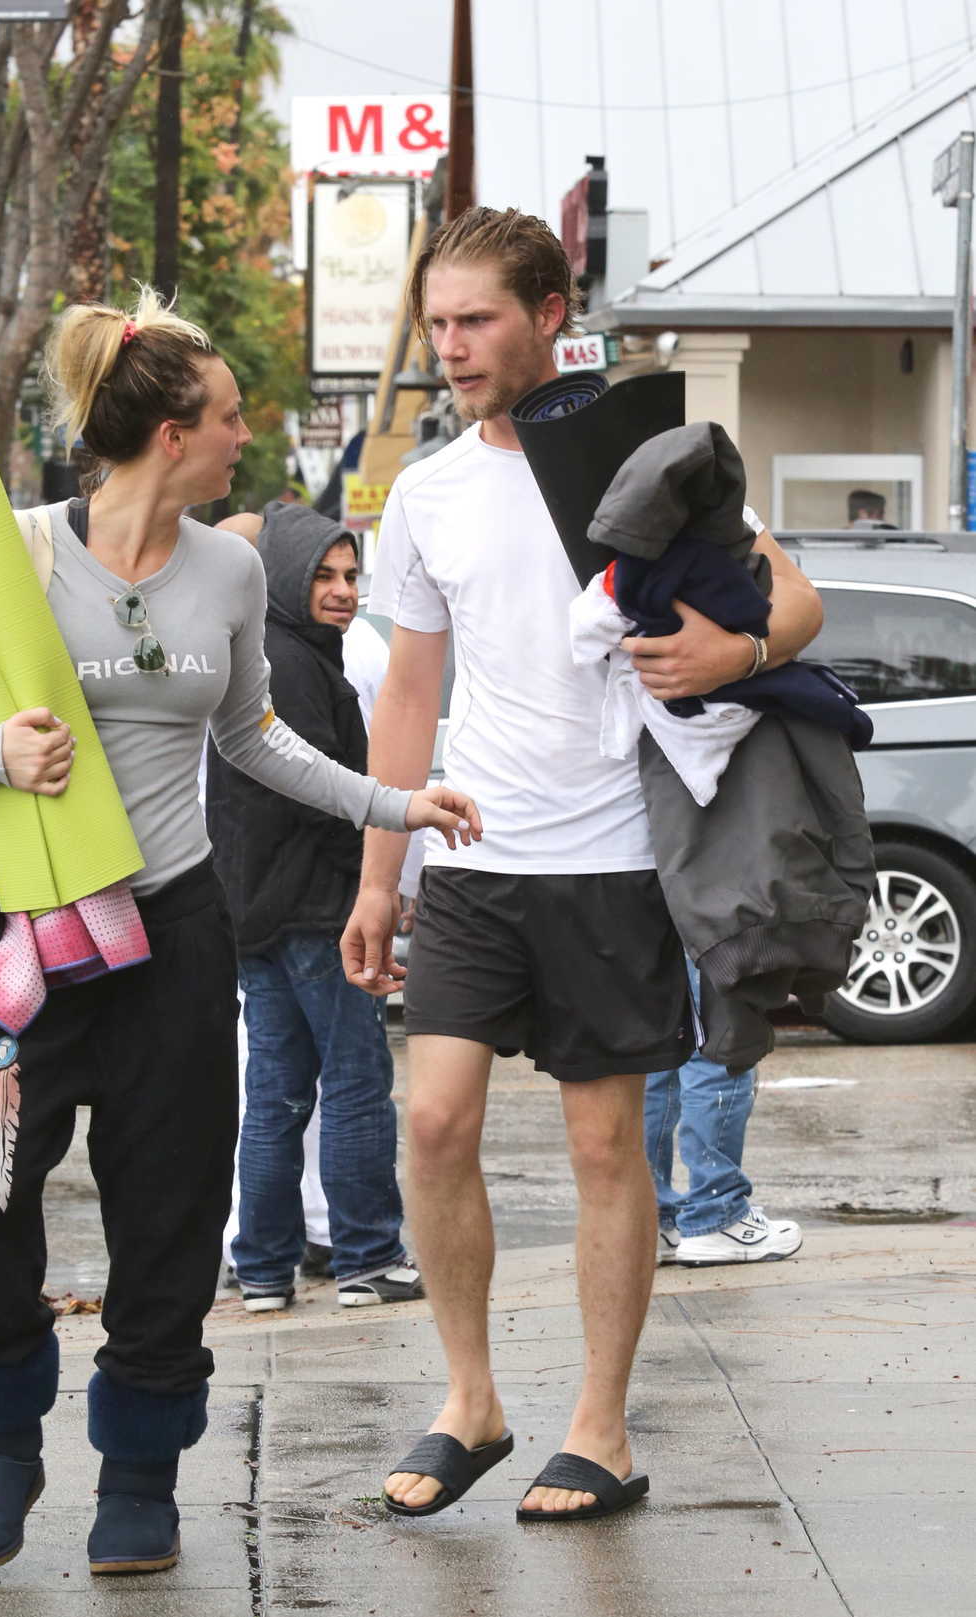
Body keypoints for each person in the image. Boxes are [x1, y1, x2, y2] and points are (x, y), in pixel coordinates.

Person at [0, 287, 481, 1578]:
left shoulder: (225, 567)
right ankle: (0, 1448)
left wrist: (399, 802)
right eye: (227, 417)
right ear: (170, 431)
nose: (243, 436)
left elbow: (255, 737)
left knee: (168, 1216)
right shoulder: (15, 547)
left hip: (173, 932)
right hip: (29, 944)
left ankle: (140, 1474)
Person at [340, 206, 824, 1522]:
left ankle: (598, 1430)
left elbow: (793, 598)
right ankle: (469, 1400)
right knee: (431, 1121)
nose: (450, 346)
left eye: (476, 318)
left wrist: (734, 654)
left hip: (614, 859)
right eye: (435, 322)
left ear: (548, 313)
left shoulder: (644, 455)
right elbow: (408, 693)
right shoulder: (426, 492)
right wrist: (380, 872)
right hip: (474, 853)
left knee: (605, 1145)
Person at [207, 502, 423, 1312]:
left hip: (261, 912)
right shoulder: (292, 665)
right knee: (356, 1079)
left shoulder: (277, 653)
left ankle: (263, 1267)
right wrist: (373, 887)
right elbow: (316, 798)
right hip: (313, 914)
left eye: (350, 575)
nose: (342, 591)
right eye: (324, 575)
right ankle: (368, 1254)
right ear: (289, 580)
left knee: (276, 1091)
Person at [647, 962, 802, 1266]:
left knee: (655, 1055)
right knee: (716, 1039)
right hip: (696, 919)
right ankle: (716, 1215)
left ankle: (648, 1221)